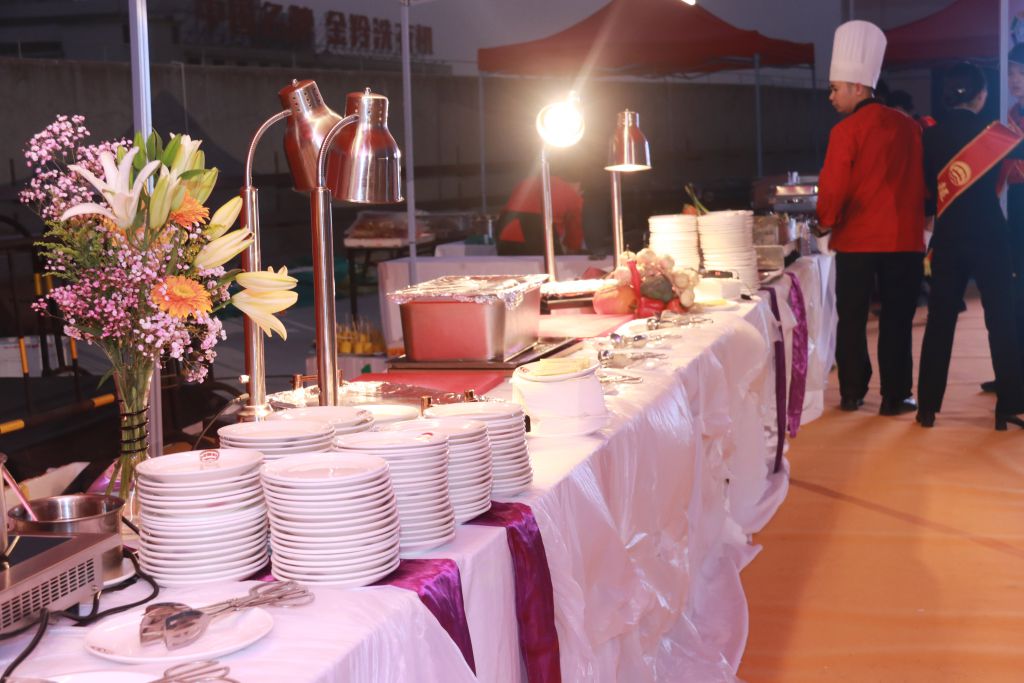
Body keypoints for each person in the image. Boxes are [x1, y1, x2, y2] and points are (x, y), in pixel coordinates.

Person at [817, 20, 927, 415]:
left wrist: (824, 221)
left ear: (858, 87)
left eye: (835, 88)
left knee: (851, 318)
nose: (831, 96)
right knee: (897, 318)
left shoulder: (845, 131)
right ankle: (895, 396)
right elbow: (921, 181)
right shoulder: (910, 127)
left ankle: (851, 392)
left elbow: (833, 187)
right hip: (902, 238)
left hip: (857, 239)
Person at [917, 62, 1024, 430]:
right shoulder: (996, 134)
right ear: (982, 95)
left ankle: (927, 407)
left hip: (948, 237)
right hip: (991, 236)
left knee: (940, 322)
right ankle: (1009, 405)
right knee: (1001, 320)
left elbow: (928, 189)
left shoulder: (929, 136)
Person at [981, 43, 1024, 394]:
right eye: (1010, 72)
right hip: (1018, 206)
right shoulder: (1009, 115)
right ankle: (1014, 372)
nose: (1013, 79)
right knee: (1016, 290)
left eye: (1019, 72)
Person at [496, 174, 584, 256]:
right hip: (536, 229)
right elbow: (576, 226)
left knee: (509, 264)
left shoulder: (528, 182)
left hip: (506, 227)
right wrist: (573, 249)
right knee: (555, 264)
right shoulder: (572, 193)